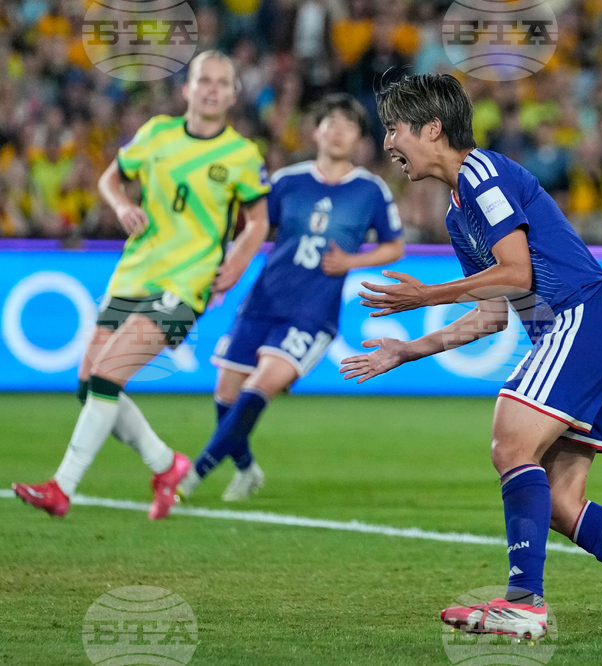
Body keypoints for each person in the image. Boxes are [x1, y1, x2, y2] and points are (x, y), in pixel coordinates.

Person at [338, 73, 602, 646]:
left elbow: (516, 273)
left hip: (580, 318)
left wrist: (425, 296)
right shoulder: (457, 211)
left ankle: (523, 603)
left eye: (394, 127)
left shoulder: (481, 175)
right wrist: (410, 349)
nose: (387, 141)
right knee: (563, 504)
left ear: (433, 127)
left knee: (511, 442)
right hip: (586, 328)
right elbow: (493, 313)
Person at [12, 51, 270, 520]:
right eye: (202, 80)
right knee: (89, 384)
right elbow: (112, 178)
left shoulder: (242, 155)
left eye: (221, 82)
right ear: (187, 89)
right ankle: (165, 464)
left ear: (233, 95)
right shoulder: (156, 134)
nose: (211, 89)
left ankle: (61, 487)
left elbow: (257, 222)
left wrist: (235, 265)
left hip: (185, 280)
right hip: (133, 271)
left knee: (109, 376)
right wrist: (121, 206)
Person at [176, 93, 404, 502]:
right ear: (316, 131)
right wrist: (228, 272)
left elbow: (394, 246)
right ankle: (246, 470)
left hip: (312, 313)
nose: (337, 131)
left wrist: (351, 261)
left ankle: (190, 479)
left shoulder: (370, 190)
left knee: (258, 387)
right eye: (330, 122)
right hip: (264, 300)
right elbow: (256, 231)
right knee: (226, 394)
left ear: (359, 139)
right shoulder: (285, 181)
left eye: (347, 125)